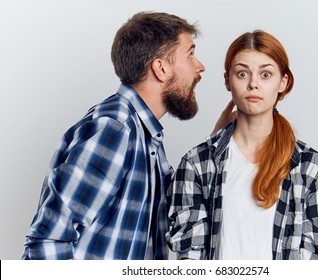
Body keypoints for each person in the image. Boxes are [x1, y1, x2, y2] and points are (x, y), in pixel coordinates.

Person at [22, 11, 232, 260]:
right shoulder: (115, 129)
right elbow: (46, 243)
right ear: (161, 68)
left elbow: (174, 201)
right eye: (190, 54)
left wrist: (215, 141)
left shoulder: (144, 135)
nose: (200, 67)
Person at [166, 30, 318, 260]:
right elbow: (189, 257)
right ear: (227, 81)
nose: (254, 84)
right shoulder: (196, 164)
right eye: (242, 73)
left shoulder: (309, 167)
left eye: (266, 74)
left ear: (283, 82)